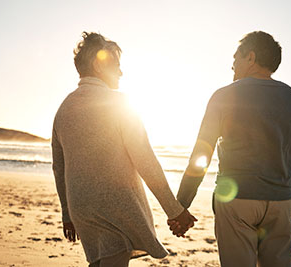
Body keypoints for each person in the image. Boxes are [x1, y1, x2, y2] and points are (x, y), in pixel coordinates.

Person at [51, 32, 196, 267]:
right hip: (115, 208)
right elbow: (145, 161)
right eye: (116, 65)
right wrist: (174, 210)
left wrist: (67, 213)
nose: (120, 72)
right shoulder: (119, 104)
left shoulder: (64, 108)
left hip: (81, 208)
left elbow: (59, 167)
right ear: (99, 65)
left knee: (101, 261)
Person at [169, 31, 291, 267]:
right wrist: (290, 210)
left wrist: (181, 205)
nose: (232, 65)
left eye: (236, 58)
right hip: (281, 202)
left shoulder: (224, 96)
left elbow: (201, 155)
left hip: (237, 200)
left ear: (251, 57)